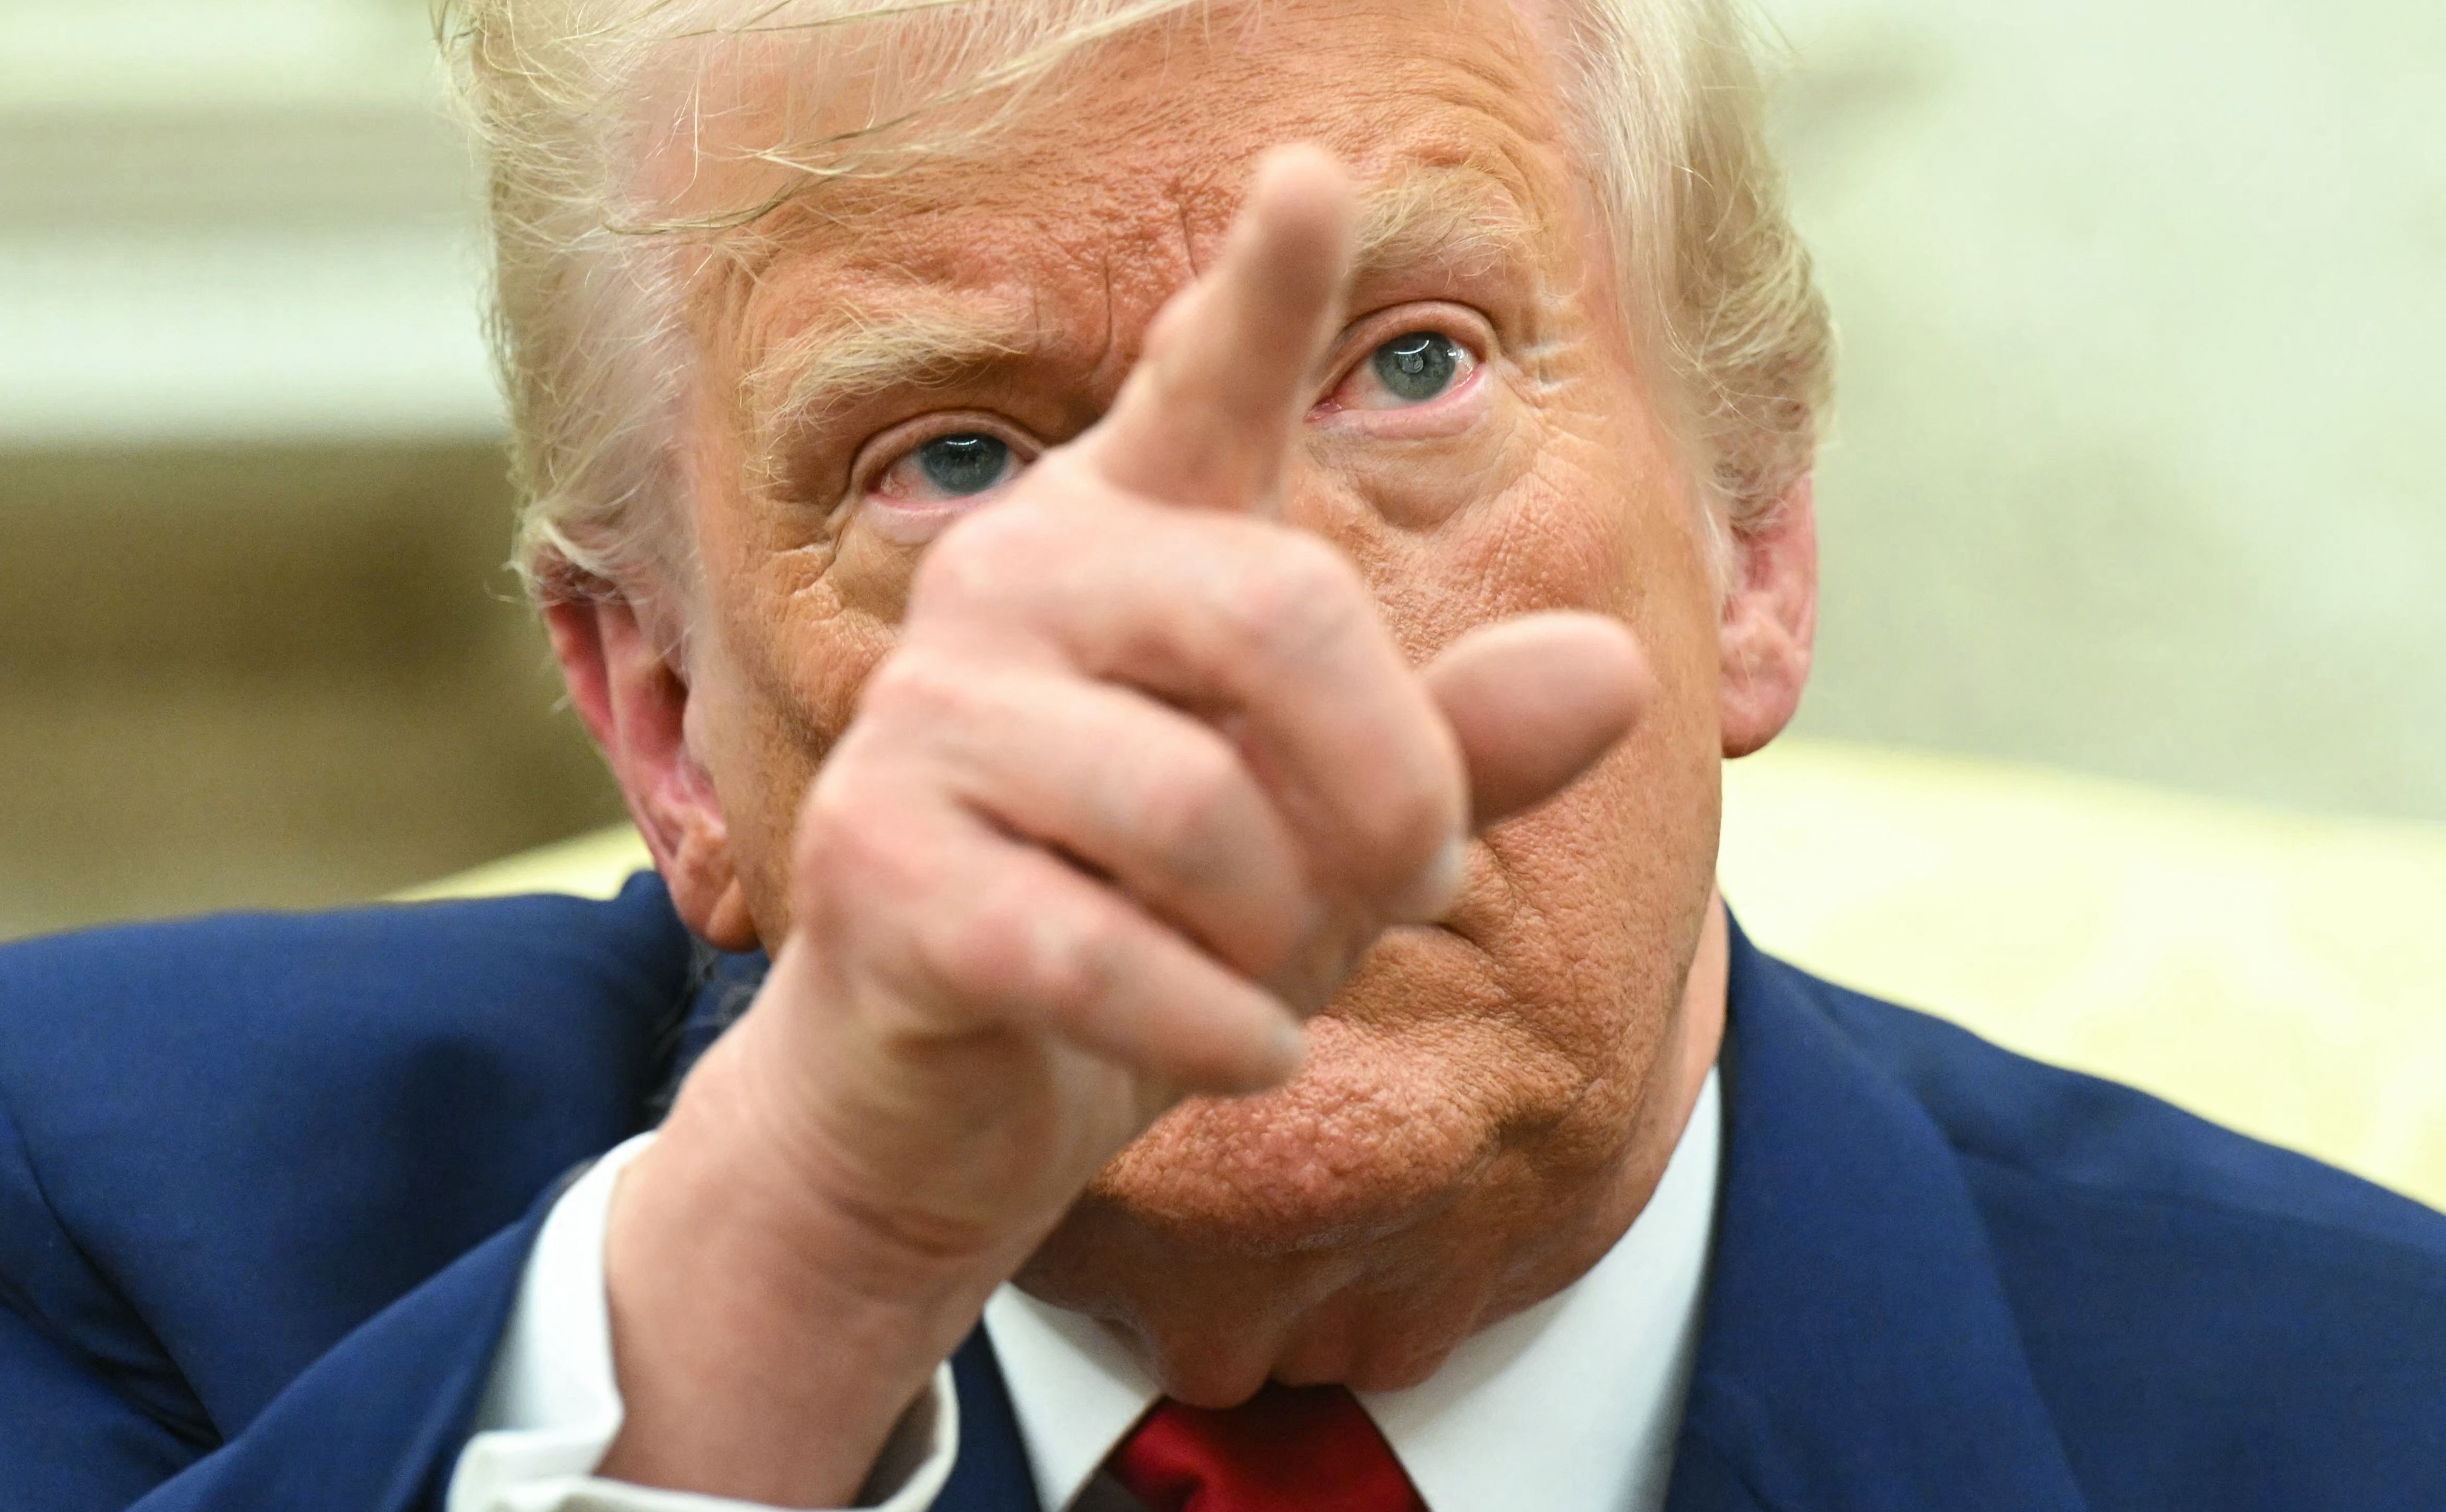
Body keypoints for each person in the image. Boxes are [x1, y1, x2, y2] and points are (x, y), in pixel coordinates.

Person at [3, 2, 2442, 1509]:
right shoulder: (124, 1228)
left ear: (1758, 536)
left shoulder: (2362, 1424)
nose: (1231, 632)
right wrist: (799, 1266)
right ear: (665, 723)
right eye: (954, 459)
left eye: (1412, 367)